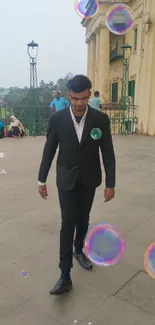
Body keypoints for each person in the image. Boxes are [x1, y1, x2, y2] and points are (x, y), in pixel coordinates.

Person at [38, 75, 116, 295]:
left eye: (83, 98)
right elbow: (49, 150)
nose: (79, 103)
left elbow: (108, 153)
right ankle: (65, 275)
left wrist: (111, 182)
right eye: (75, 98)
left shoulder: (100, 119)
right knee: (68, 222)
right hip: (66, 178)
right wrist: (41, 179)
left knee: (83, 218)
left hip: (89, 178)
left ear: (89, 94)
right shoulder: (58, 119)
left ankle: (79, 249)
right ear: (68, 95)